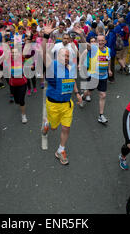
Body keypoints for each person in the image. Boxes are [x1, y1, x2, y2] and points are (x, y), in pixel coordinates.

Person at [40, 21, 83, 165]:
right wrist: (46, 36)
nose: (65, 58)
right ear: (57, 57)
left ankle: (61, 150)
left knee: (66, 128)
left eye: (67, 56)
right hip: (53, 104)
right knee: (53, 127)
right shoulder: (52, 67)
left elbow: (72, 81)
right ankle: (47, 123)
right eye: (62, 56)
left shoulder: (70, 67)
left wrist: (76, 93)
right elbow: (43, 53)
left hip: (67, 105)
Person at [79, 34, 112, 124]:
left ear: (105, 41)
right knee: (88, 92)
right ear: (97, 42)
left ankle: (101, 115)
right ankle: (83, 97)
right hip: (93, 76)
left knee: (103, 95)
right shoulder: (94, 49)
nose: (100, 42)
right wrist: (81, 34)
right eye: (99, 40)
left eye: (102, 40)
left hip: (103, 76)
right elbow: (85, 44)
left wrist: (109, 69)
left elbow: (109, 60)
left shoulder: (108, 50)